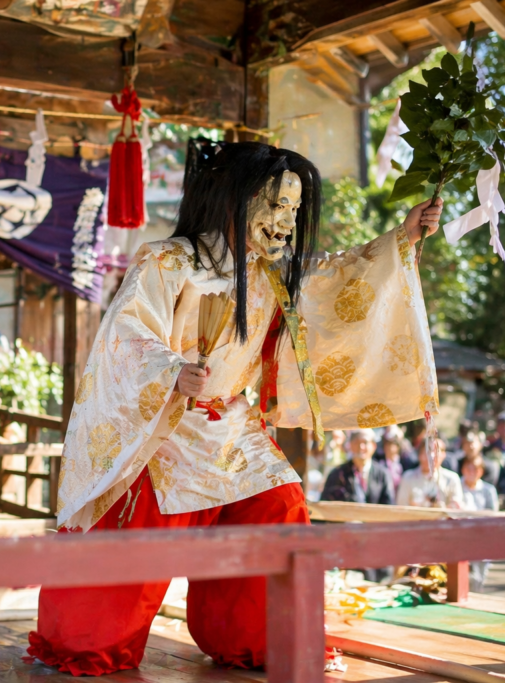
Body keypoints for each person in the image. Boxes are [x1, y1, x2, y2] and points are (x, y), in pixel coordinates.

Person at [29, 141, 443, 674]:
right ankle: (87, 641)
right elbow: (126, 332)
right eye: (275, 204)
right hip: (166, 423)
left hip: (230, 422)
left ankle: (264, 636)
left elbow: (339, 276)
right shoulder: (168, 260)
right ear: (234, 198)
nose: (286, 221)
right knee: (141, 537)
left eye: (293, 208)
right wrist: (171, 371)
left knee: (279, 507)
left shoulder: (275, 272)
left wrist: (402, 237)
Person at [321, 430, 393, 505]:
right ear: (350, 445)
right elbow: (325, 504)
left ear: (374, 446)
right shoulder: (337, 474)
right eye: (357, 442)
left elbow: (389, 505)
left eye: (365, 442)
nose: (361, 447)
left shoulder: (382, 474)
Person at [459, 454, 498, 591]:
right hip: (459, 539)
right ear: (463, 469)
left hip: (481, 538)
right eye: (468, 468)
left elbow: (492, 515)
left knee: (479, 578)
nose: (471, 472)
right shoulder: (456, 486)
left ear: (481, 471)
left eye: (475, 468)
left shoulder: (489, 490)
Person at [396, 438, 464, 509]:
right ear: (419, 455)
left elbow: (456, 507)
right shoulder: (407, 477)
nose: (431, 456)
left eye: (436, 451)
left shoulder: (452, 479)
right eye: (427, 451)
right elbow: (401, 507)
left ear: (443, 455)